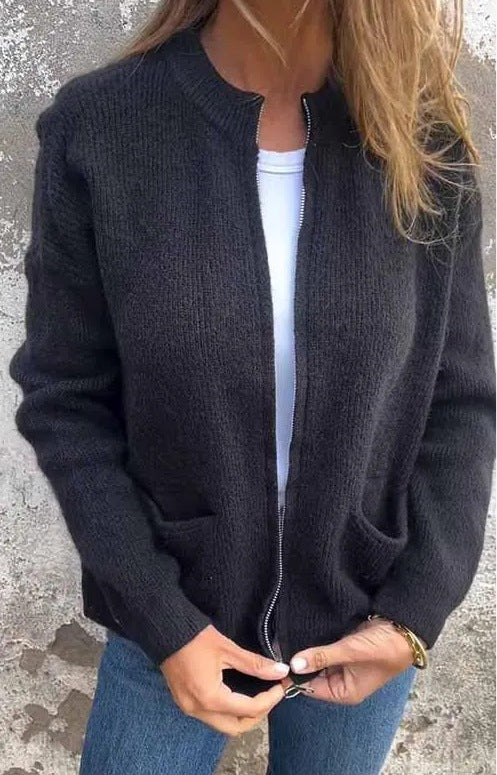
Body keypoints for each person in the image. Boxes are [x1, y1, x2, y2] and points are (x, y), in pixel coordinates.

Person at [9, 1, 496, 773]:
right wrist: (160, 615)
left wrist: (410, 615)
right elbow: (67, 399)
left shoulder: (420, 140)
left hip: (359, 622)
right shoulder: (103, 127)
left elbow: (459, 401)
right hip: (169, 617)